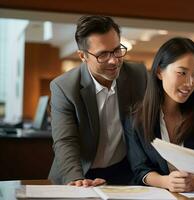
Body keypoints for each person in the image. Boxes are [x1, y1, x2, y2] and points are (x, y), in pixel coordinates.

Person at [48, 15, 147, 186]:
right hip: (79, 171)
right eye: (103, 54)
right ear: (82, 56)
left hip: (123, 172)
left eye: (117, 50)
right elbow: (65, 140)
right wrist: (75, 179)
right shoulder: (63, 87)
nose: (114, 60)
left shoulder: (138, 75)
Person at [124, 37, 194, 192]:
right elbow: (139, 168)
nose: (190, 82)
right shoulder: (136, 116)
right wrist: (165, 181)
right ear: (159, 72)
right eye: (182, 73)